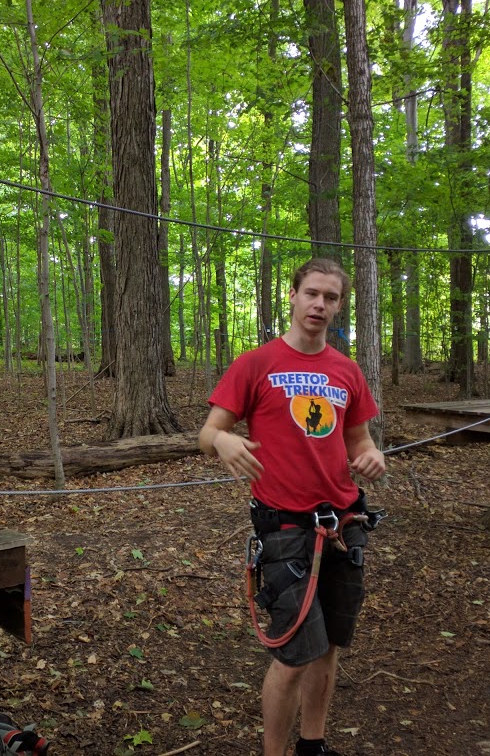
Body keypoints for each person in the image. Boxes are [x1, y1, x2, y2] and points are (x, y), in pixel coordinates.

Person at [198, 257, 386, 756]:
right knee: (294, 655)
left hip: (343, 524)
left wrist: (371, 457)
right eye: (312, 294)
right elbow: (207, 432)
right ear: (293, 295)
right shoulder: (256, 364)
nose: (320, 304)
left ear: (339, 306)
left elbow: (360, 441)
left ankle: (314, 745)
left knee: (327, 649)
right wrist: (223, 442)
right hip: (283, 530)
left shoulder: (346, 371)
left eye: (331, 297)